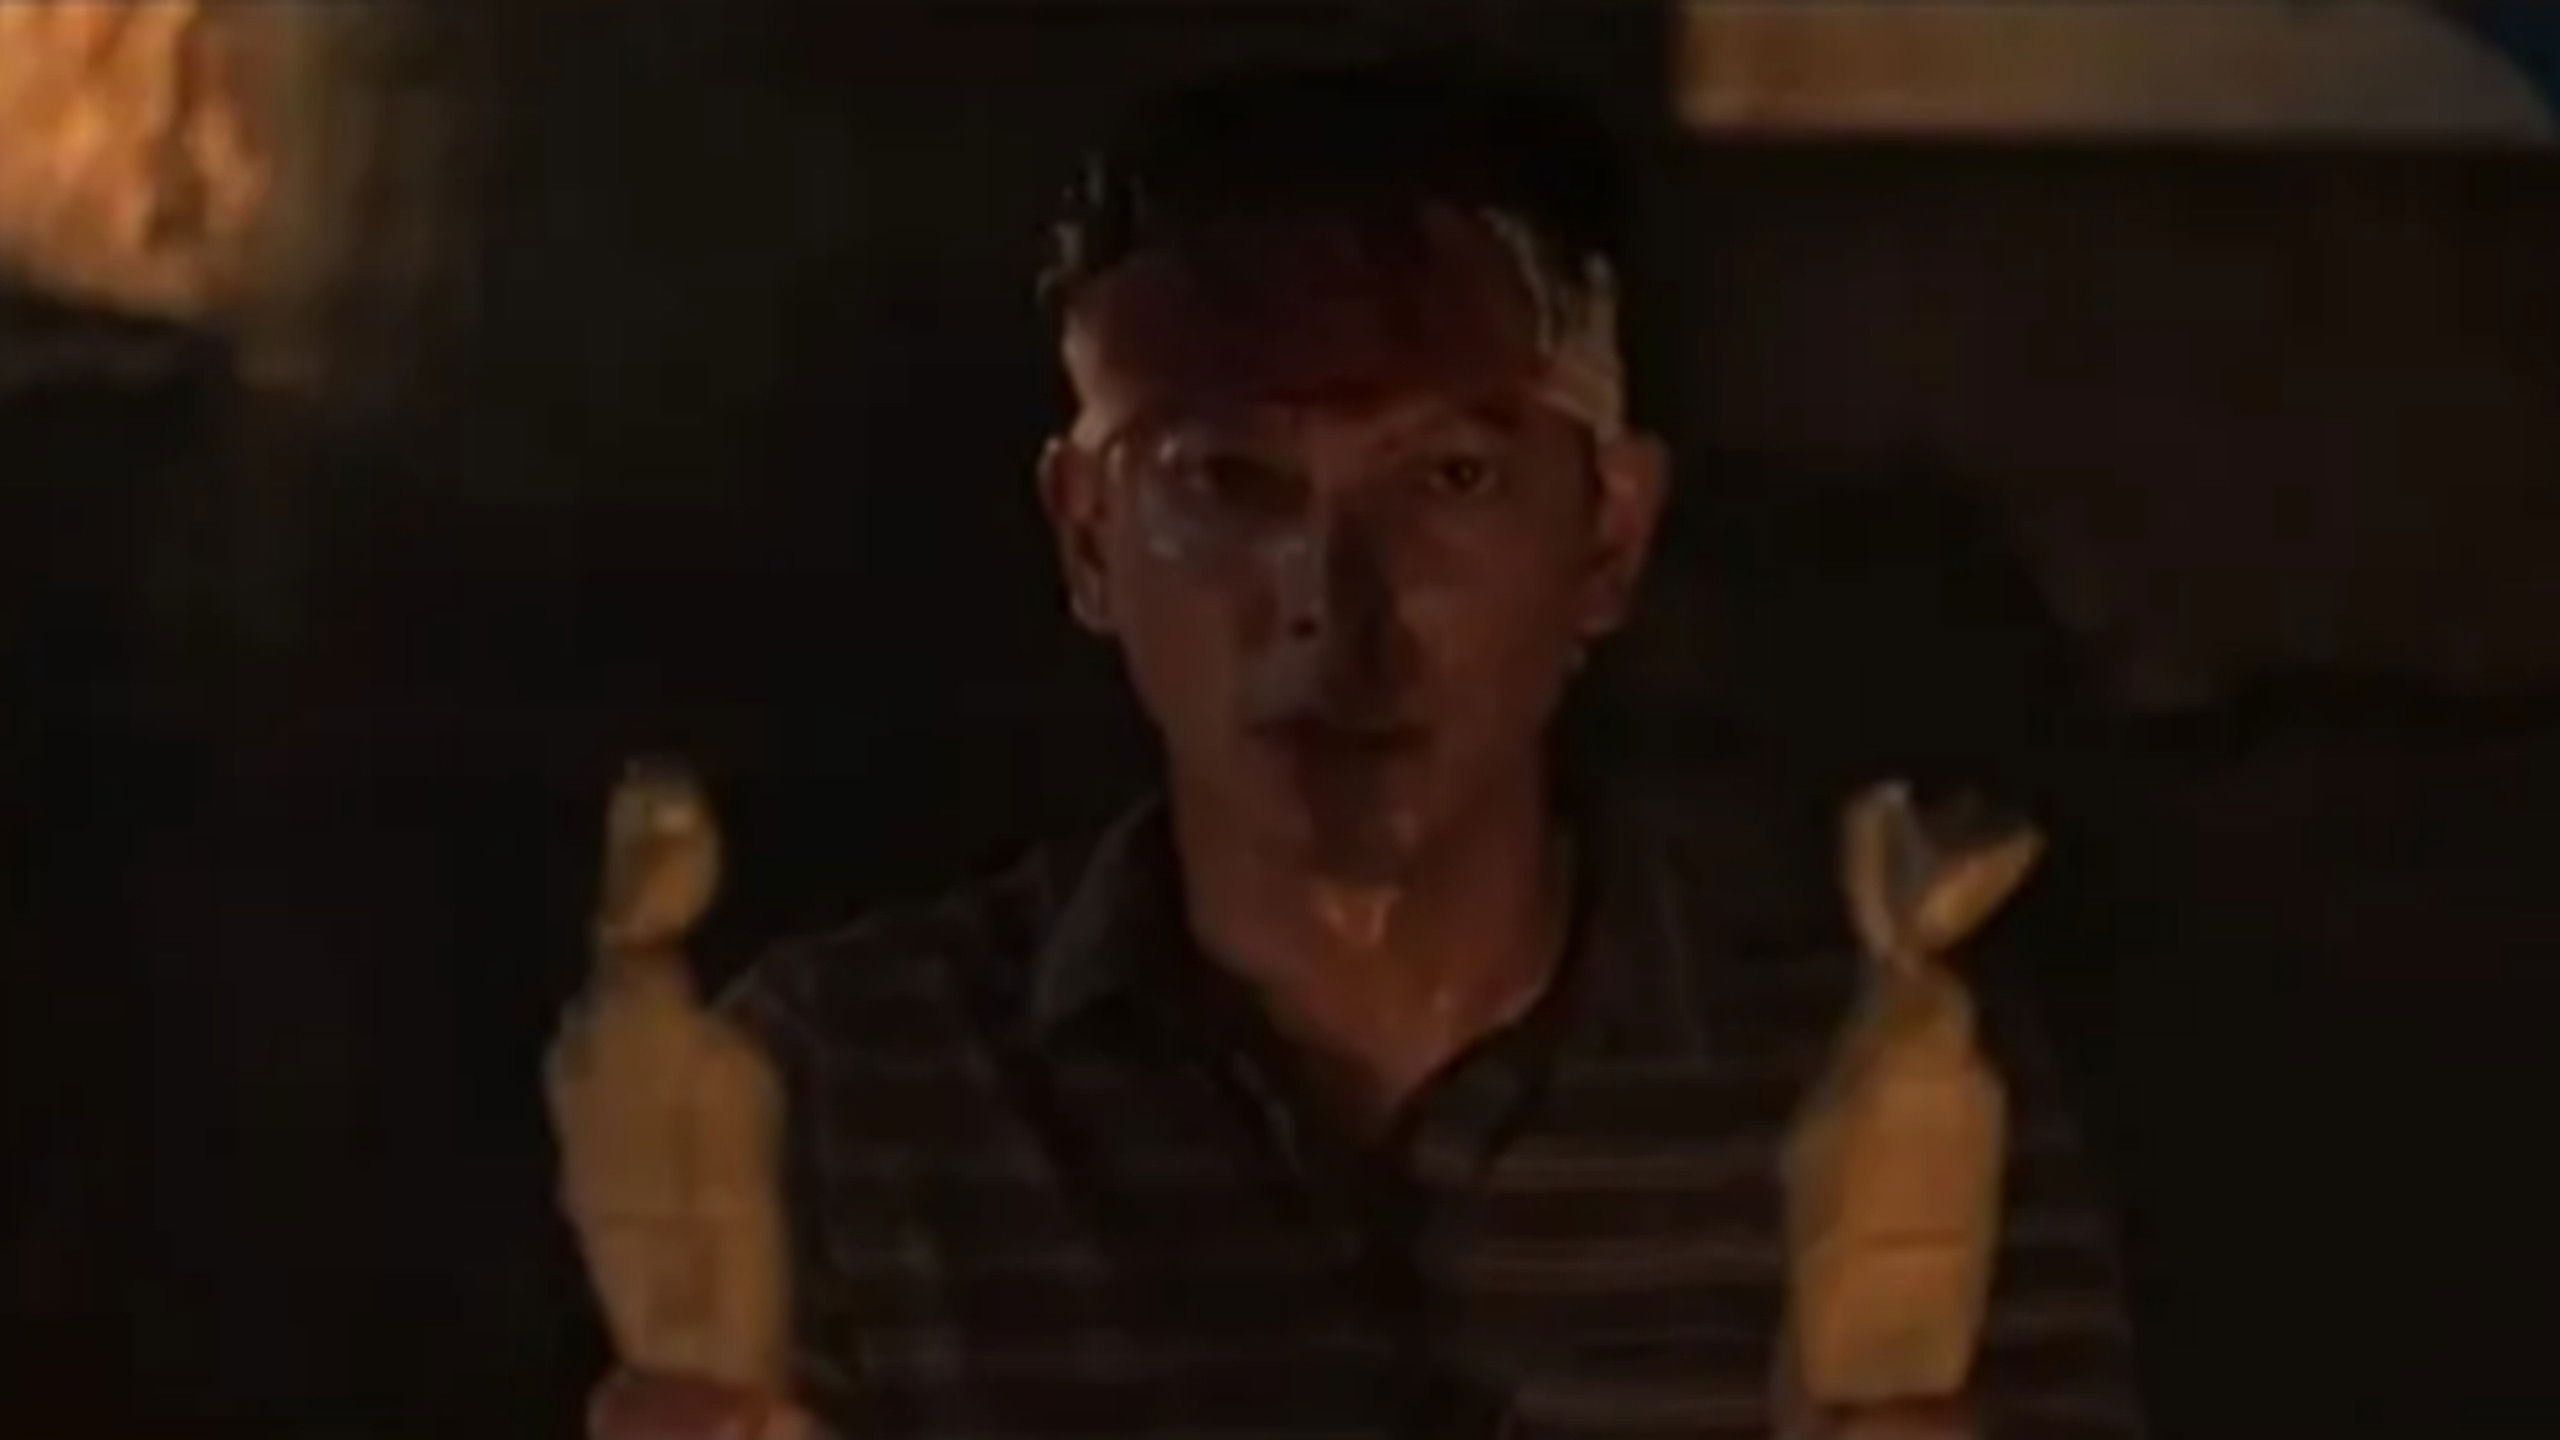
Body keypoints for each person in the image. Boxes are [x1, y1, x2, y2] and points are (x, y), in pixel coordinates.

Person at [591, 56, 2142, 1440]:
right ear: (1089, 537)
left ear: (1607, 533)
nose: (1339, 611)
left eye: (1451, 478)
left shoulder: (1875, 1081)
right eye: (1227, 483)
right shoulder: (845, 1095)